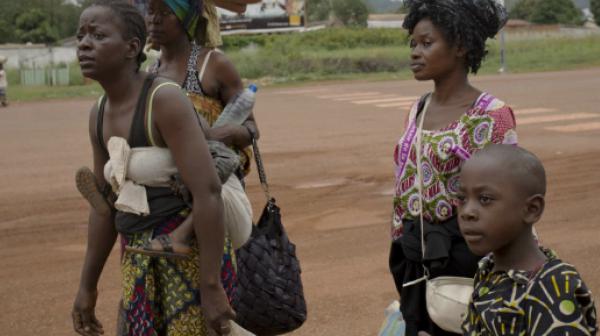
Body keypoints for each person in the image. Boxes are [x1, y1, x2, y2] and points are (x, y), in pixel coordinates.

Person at [70, 1, 234, 335]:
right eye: (80, 36)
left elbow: (208, 193)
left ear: (132, 48)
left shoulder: (164, 100)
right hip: (138, 257)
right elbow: (104, 208)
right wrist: (87, 287)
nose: (84, 44)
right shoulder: (98, 113)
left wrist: (211, 286)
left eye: (98, 35)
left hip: (189, 259)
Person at [388, 1, 517, 335]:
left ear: (460, 46)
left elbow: (505, 200)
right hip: (415, 260)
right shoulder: (418, 109)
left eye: (427, 43)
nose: (415, 52)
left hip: (467, 264)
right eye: (413, 44)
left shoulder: (490, 115)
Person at [133, 0, 260, 256]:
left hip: (215, 182)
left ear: (186, 19)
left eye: (165, 13)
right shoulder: (150, 72)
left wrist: (213, 136)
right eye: (150, 11)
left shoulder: (213, 64)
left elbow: (252, 130)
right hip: (170, 190)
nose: (154, 19)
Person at [457, 144, 598, 335]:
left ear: (532, 209)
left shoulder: (552, 286)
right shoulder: (488, 269)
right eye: (462, 199)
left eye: (485, 199)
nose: (467, 212)